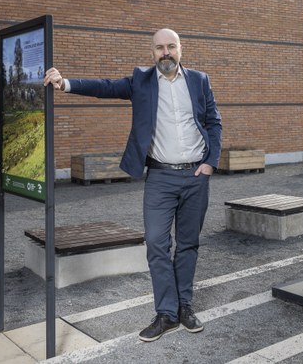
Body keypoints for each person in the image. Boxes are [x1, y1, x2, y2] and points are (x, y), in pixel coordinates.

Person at [44, 28, 222, 342]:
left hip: (196, 176)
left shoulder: (199, 80)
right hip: (160, 177)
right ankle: (166, 313)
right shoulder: (141, 81)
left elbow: (213, 122)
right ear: (152, 53)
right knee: (155, 243)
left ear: (180, 49)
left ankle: (184, 306)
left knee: (188, 244)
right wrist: (65, 83)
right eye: (159, 48)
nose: (165, 53)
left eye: (171, 47)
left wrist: (210, 163)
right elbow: (104, 87)